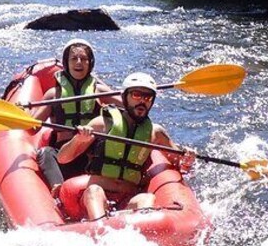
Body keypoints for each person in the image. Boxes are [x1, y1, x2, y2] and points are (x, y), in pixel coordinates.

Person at [55, 72, 196, 220]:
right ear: (124, 97)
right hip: (97, 195)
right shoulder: (102, 124)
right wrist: (79, 139)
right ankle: (100, 228)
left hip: (127, 200)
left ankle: (136, 232)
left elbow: (180, 163)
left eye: (147, 97)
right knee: (94, 191)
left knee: (146, 199)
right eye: (136, 95)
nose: (142, 101)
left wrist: (187, 158)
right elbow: (62, 158)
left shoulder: (156, 133)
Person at [31, 39, 121, 192]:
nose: (79, 62)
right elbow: (32, 127)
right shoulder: (54, 94)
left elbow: (129, 106)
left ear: (90, 63)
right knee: (46, 153)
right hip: (63, 154)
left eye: (84, 59)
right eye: (74, 58)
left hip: (91, 155)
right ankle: (58, 188)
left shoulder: (99, 91)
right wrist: (25, 113)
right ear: (66, 62)